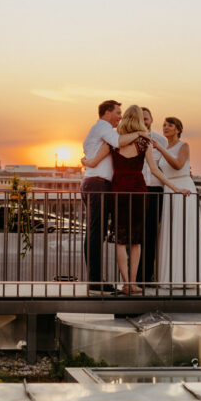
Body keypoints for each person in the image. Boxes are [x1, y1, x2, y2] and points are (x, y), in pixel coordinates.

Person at [84, 105, 180, 295]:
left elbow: (94, 161)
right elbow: (154, 170)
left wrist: (84, 162)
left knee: (121, 240)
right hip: (138, 190)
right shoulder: (145, 142)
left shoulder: (113, 143)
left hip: (118, 190)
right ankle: (133, 284)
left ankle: (125, 283)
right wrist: (176, 187)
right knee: (136, 241)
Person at [79, 100, 144, 296]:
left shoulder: (100, 129)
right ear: (107, 112)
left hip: (96, 184)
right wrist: (141, 133)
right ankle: (96, 281)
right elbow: (117, 142)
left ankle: (95, 278)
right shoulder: (104, 128)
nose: (120, 117)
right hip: (97, 185)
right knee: (95, 232)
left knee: (95, 232)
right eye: (118, 113)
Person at [153, 116, 201, 289]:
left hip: (183, 188)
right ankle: (172, 277)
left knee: (185, 230)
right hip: (169, 189)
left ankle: (189, 276)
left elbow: (178, 164)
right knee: (171, 232)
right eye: (164, 125)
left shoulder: (183, 146)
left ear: (178, 129)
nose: (165, 127)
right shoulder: (165, 146)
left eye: (170, 125)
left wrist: (161, 149)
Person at [137, 107, 167, 288]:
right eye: (140, 118)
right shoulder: (129, 139)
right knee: (135, 235)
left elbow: (169, 162)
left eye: (146, 118)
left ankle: (146, 277)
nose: (144, 121)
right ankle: (132, 278)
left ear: (152, 119)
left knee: (151, 234)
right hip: (137, 190)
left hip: (156, 190)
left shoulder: (161, 140)